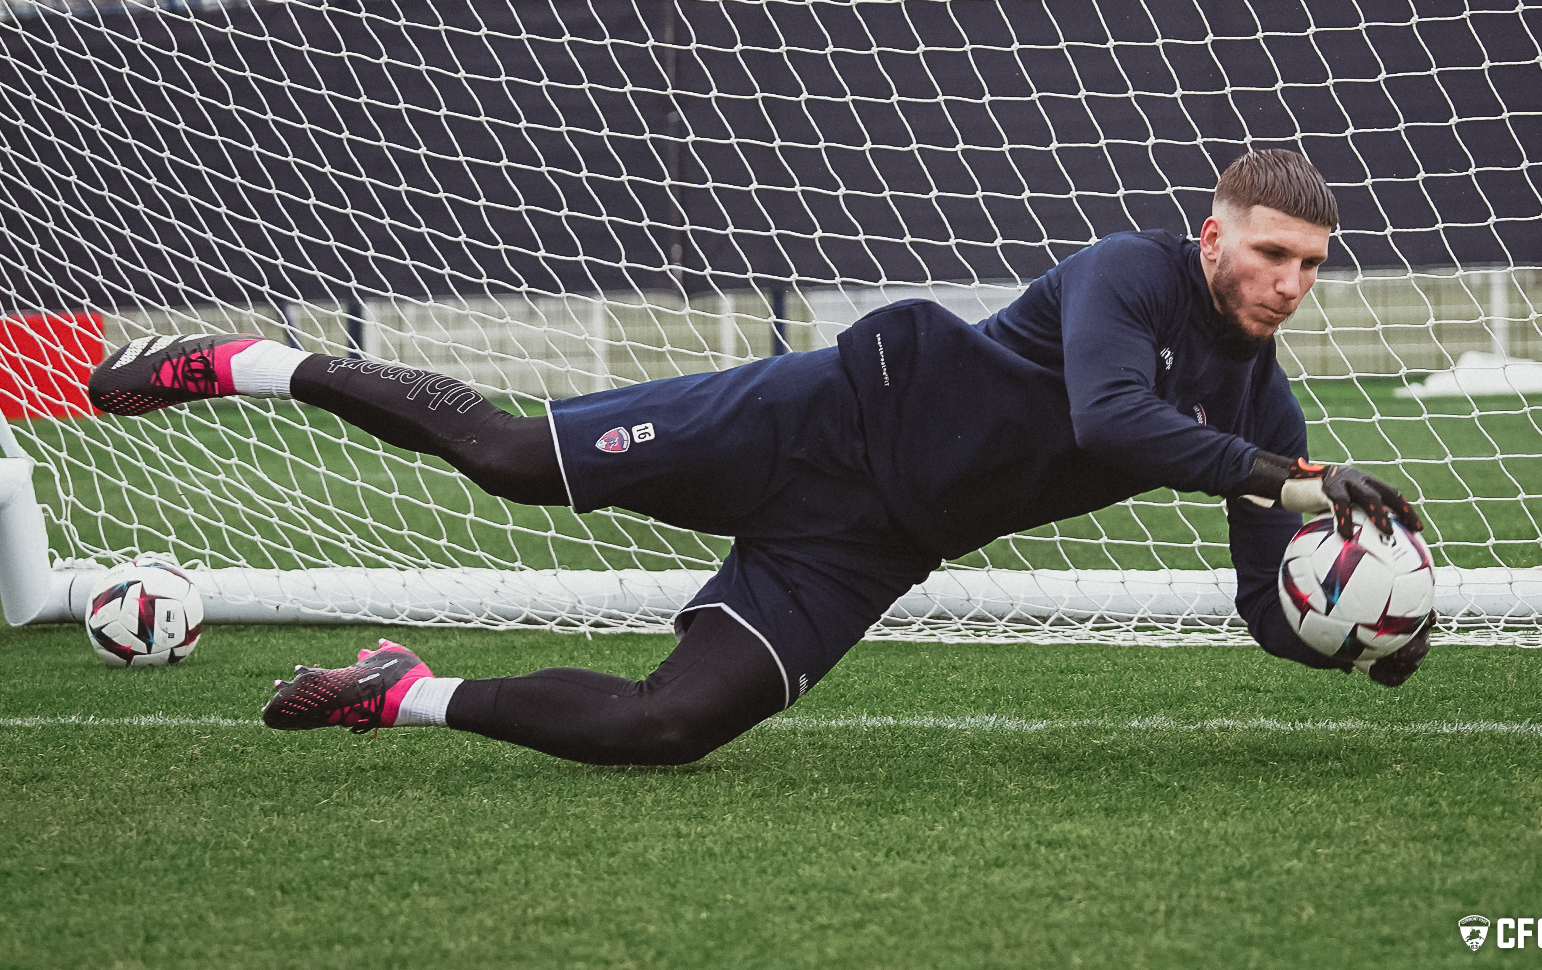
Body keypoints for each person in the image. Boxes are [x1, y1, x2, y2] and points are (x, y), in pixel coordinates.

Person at [88, 148, 1428, 765]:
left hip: (865, 549)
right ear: (1213, 238)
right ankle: (250, 362)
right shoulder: (1126, 277)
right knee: (500, 454)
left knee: (664, 726)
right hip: (823, 417)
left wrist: (1373, 629)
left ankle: (395, 693)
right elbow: (1108, 419)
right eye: (1270, 253)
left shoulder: (1273, 424)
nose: (1290, 282)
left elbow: (1267, 604)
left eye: (1312, 265)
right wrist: (1291, 485)